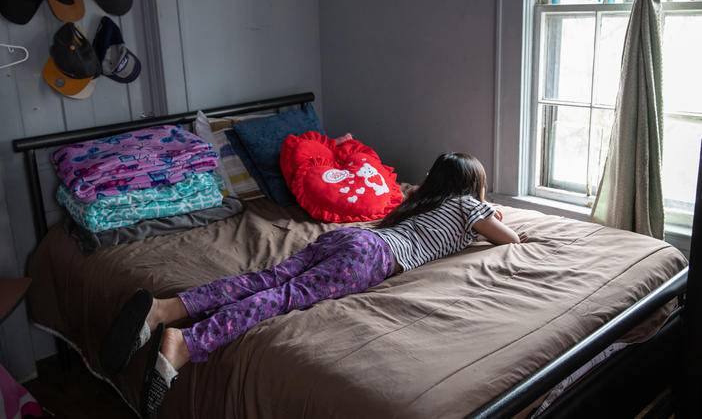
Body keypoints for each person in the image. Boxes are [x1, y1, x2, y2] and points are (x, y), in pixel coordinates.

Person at [99, 152, 523, 417]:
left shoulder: (421, 204)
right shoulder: (471, 205)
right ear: (471, 186)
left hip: (356, 237)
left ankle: (166, 309)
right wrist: (493, 216)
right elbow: (511, 241)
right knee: (284, 298)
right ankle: (186, 343)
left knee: (267, 278)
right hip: (373, 257)